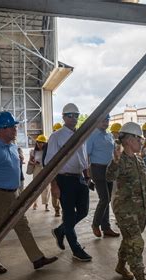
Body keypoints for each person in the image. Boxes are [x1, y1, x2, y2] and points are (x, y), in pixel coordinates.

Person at [0, 111, 58, 274]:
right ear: (2, 128)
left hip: (14, 193)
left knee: (22, 225)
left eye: (15, 126)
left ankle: (37, 258)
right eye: (12, 127)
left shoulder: (13, 147)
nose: (15, 130)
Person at [106, 122, 146, 280]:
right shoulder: (120, 160)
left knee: (129, 240)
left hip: (140, 208)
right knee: (136, 242)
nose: (141, 141)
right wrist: (115, 161)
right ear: (129, 140)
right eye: (138, 138)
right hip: (124, 209)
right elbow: (109, 176)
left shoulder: (139, 160)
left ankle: (120, 266)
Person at [46, 103, 93, 262]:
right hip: (64, 179)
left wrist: (87, 176)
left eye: (76, 115)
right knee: (68, 214)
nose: (73, 118)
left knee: (83, 211)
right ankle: (76, 249)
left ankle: (60, 231)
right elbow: (49, 163)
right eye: (69, 115)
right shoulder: (56, 136)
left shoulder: (81, 135)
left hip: (80, 178)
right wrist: (54, 184)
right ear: (64, 117)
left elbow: (84, 158)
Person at [87, 114, 119, 238]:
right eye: (103, 120)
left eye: (107, 120)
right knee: (104, 198)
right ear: (97, 121)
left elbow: (113, 152)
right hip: (98, 169)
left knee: (108, 198)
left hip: (109, 169)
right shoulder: (92, 135)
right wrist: (88, 171)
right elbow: (87, 154)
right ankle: (95, 224)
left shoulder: (109, 135)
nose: (105, 123)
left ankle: (106, 228)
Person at [43, 123, 63, 217]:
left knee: (63, 190)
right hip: (53, 171)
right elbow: (45, 159)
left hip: (63, 171)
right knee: (54, 190)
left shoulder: (65, 142)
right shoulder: (49, 143)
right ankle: (57, 209)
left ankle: (63, 208)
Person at [29, 135, 50, 211]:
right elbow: (30, 161)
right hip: (36, 170)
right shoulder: (33, 151)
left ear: (45, 143)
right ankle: (35, 203)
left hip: (45, 170)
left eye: (42, 143)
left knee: (46, 188)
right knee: (35, 187)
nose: (40, 144)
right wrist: (34, 163)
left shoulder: (47, 152)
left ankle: (46, 204)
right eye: (38, 143)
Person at [109, 122, 122, 210]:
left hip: (118, 170)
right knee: (115, 193)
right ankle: (117, 213)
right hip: (115, 170)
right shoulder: (114, 142)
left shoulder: (116, 142)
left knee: (116, 193)